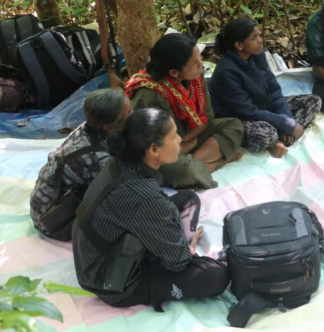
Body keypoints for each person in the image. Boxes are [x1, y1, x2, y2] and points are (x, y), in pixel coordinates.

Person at [73, 108, 229, 308]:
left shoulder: (120, 163)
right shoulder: (145, 198)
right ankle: (182, 245)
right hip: (111, 280)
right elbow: (177, 263)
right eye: (174, 136)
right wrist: (185, 250)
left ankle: (177, 244)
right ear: (154, 150)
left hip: (104, 249)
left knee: (189, 199)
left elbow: (151, 208)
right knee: (216, 276)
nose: (180, 140)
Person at [127, 34, 244, 189]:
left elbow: (208, 117)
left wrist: (189, 143)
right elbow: (154, 145)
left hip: (189, 138)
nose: (201, 64)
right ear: (174, 73)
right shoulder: (151, 95)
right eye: (194, 62)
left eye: (199, 58)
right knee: (182, 170)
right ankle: (212, 165)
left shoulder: (194, 77)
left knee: (234, 125)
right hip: (163, 150)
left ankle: (195, 166)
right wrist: (182, 145)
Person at [210, 18, 322, 158]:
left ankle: (283, 139)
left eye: (259, 36)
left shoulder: (257, 55)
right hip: (240, 118)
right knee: (266, 134)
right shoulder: (227, 73)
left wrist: (287, 121)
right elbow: (248, 112)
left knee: (313, 101)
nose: (260, 40)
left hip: (263, 107)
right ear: (239, 45)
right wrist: (284, 124)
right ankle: (277, 140)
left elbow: (274, 91)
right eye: (254, 38)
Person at [30, 89, 130, 241]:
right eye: (127, 114)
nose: (132, 116)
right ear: (108, 127)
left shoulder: (88, 127)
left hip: (42, 205)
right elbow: (114, 198)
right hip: (53, 221)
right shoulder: (98, 158)